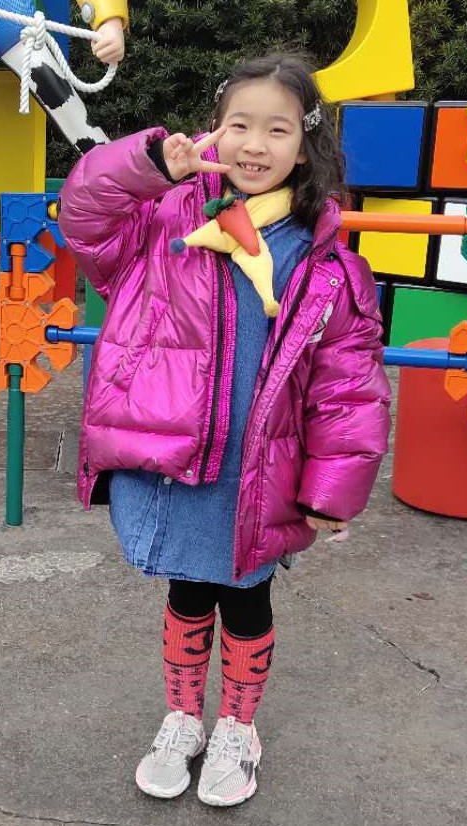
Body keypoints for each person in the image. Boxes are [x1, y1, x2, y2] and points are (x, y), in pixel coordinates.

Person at [58, 53, 391, 807]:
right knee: (186, 591)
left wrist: (332, 491)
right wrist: (149, 166)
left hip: (258, 467)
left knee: (245, 598)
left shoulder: (327, 262)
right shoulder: (164, 219)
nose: (254, 144)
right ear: (213, 130)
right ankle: (182, 717)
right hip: (175, 459)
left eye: (277, 129)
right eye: (239, 124)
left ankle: (237, 727)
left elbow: (349, 390)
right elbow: (82, 213)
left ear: (305, 145)